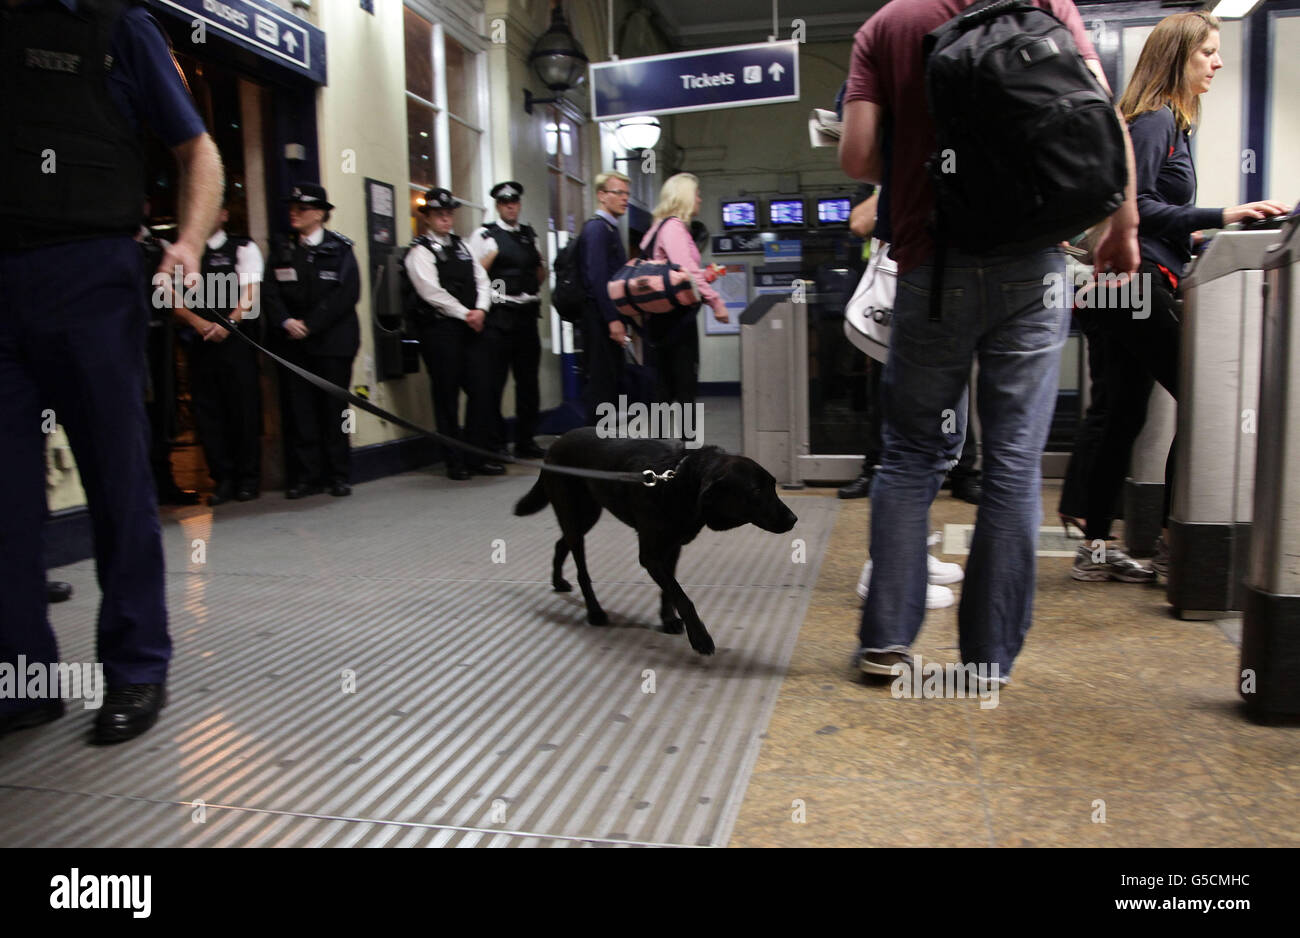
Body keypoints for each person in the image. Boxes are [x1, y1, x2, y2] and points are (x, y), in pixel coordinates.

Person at [839, 0, 1142, 684]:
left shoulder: (884, 27)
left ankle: (887, 639)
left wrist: (914, 159)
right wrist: (1122, 222)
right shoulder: (1043, 4)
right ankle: (989, 659)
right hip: (1032, 262)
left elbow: (857, 154)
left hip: (930, 268)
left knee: (911, 456)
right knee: (1012, 460)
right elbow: (1098, 113)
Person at [1, 0, 224, 742]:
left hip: (90, 273)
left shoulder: (114, 27)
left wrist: (188, 244)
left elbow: (197, 150)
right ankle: (23, 681)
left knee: (118, 482)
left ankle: (135, 668)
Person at [1068, 10, 1290, 583]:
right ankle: (1173, 546)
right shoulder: (1156, 118)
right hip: (1137, 287)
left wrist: (1202, 231)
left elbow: (1150, 217)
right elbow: (1132, 209)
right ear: (1176, 57)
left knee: (1122, 413)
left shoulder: (1163, 119)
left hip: (1119, 289)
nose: (1217, 63)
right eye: (1206, 53)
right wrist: (1225, 212)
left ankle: (1094, 552)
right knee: (1201, 404)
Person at [262, 183, 361, 499]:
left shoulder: (340, 249)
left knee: (334, 410)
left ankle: (339, 475)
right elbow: (270, 293)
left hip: (332, 343)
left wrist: (312, 324)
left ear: (319, 213)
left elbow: (346, 294)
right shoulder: (282, 250)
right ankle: (307, 476)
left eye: (301, 209)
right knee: (300, 412)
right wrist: (286, 321)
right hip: (294, 343)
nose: (294, 213)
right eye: (291, 208)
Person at [405, 187, 503, 481]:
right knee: (447, 397)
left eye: (448, 214)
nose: (445, 219)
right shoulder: (420, 251)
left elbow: (483, 281)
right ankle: (454, 460)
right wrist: (466, 313)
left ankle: (477, 455)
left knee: (482, 390)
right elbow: (431, 292)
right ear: (428, 218)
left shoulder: (462, 247)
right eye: (439, 214)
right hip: (441, 331)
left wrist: (482, 310)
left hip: (472, 328)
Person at [175, 202, 264, 505]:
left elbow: (250, 293)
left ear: (225, 214)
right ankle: (222, 480)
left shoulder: (243, 247)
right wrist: (199, 323)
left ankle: (248, 479)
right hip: (200, 343)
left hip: (236, 342)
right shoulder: (183, 253)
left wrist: (228, 324)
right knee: (208, 413)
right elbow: (171, 296)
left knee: (243, 410)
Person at [469, 181, 547, 460]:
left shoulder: (528, 235)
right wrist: (492, 257)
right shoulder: (484, 234)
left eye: (514, 201)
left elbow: (540, 272)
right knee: (494, 383)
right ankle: (496, 442)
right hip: (499, 316)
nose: (510, 206)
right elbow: (475, 276)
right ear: (497, 206)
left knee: (528, 384)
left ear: (519, 204)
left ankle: (526, 440)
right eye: (504, 203)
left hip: (526, 313)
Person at [637, 173, 729, 408]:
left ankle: (659, 444)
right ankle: (689, 445)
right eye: (697, 194)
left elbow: (675, 272)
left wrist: (704, 277)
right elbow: (687, 270)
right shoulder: (674, 227)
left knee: (663, 386)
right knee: (685, 386)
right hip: (677, 319)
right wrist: (715, 302)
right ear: (685, 197)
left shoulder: (656, 228)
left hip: (658, 319)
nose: (699, 199)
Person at [139, 219, 200, 506]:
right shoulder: (107, 251)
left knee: (163, 413)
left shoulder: (159, 249)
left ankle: (164, 483)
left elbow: (175, 295)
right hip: (123, 341)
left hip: (158, 339)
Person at [577, 171, 631, 425]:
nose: (624, 199)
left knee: (609, 381)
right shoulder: (598, 229)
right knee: (600, 383)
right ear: (601, 195)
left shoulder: (610, 228)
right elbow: (597, 277)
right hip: (598, 317)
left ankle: (605, 443)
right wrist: (612, 319)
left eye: (627, 194)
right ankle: (594, 448)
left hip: (605, 315)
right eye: (618, 193)